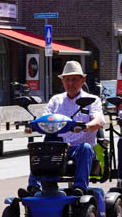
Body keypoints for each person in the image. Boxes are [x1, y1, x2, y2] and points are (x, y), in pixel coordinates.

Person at [41, 60, 105, 189]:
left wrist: (87, 126)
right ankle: (35, 187)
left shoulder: (92, 100)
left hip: (80, 148)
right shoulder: (56, 100)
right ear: (62, 81)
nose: (70, 83)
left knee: (86, 148)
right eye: (67, 80)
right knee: (40, 148)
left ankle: (79, 188)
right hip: (59, 148)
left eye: (74, 79)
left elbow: (99, 120)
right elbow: (45, 118)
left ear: (83, 80)